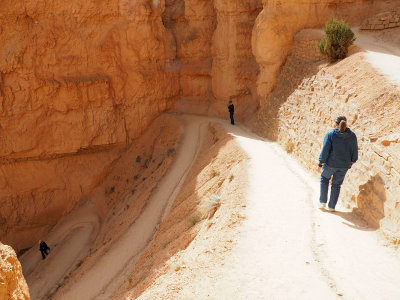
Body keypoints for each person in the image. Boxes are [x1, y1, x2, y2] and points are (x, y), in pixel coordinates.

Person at [318, 115, 358, 211]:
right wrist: (352, 162)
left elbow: (325, 150)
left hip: (330, 164)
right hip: (344, 166)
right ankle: (332, 207)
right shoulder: (352, 136)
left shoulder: (331, 134)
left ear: (336, 123)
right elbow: (354, 151)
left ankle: (322, 202)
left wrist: (320, 163)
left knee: (324, 180)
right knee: (336, 185)